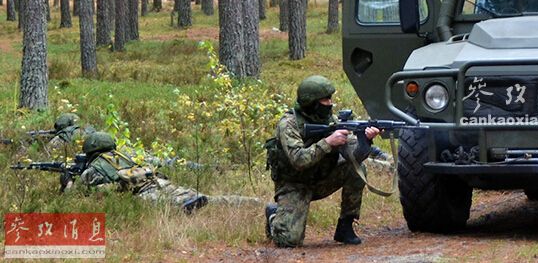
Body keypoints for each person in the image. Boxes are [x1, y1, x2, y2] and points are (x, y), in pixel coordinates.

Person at [265, 75, 380, 247]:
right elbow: (299, 160)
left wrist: (365, 141)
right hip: (294, 185)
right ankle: (274, 215)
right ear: (312, 102)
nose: (330, 103)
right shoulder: (289, 124)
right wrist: (328, 142)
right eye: (326, 99)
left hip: (321, 180)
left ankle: (346, 226)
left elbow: (351, 157)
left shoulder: (330, 121)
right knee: (288, 241)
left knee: (358, 169)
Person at [71, 132, 259, 213]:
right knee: (207, 199)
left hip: (143, 194)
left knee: (175, 205)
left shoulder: (94, 167)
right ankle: (253, 202)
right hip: (159, 182)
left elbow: (80, 193)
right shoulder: (124, 155)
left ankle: (186, 206)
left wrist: (68, 182)